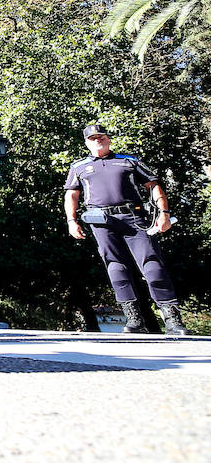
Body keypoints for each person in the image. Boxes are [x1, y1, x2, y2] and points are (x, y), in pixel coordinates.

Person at [65, 122, 185, 336]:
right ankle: (134, 319)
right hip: (101, 221)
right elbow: (71, 194)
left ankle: (172, 319)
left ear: (108, 139)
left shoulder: (129, 160)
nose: (98, 140)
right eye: (92, 138)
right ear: (86, 143)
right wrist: (71, 221)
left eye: (101, 136)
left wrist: (164, 214)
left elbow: (154, 184)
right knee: (116, 267)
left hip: (133, 217)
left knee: (152, 264)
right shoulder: (79, 167)